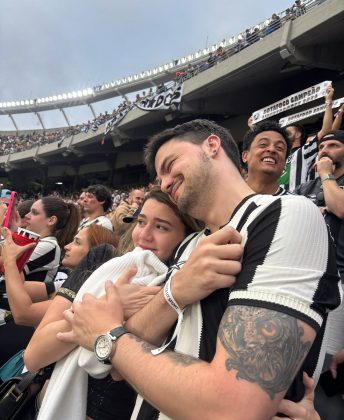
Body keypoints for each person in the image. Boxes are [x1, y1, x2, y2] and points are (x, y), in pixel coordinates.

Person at [59, 119, 340, 419]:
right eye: (159, 177)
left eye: (170, 165)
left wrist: (109, 337)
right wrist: (174, 292)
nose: (164, 183)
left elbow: (233, 407)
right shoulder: (187, 245)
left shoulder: (288, 214)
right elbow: (121, 368)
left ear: (212, 145)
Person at [25, 188, 201, 420]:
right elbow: (34, 355)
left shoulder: (180, 291)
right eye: (141, 222)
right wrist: (109, 304)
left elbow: (117, 372)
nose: (143, 236)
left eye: (161, 227)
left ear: (187, 238)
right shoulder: (101, 259)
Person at [294, 129, 344, 419]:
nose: (325, 150)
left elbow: (338, 206)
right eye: (322, 145)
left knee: (331, 370)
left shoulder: (325, 180)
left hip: (340, 283)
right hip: (308, 281)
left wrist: (327, 176)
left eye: (334, 145)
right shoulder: (304, 187)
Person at [0, 196, 80, 365]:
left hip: (15, 320)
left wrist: (3, 231)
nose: (27, 215)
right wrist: (12, 230)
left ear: (51, 220)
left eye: (34, 212)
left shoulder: (49, 245)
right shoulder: (33, 240)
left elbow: (6, 266)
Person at [242, 120, 291, 195]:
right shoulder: (223, 199)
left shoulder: (298, 205)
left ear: (285, 162)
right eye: (263, 144)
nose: (272, 149)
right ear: (245, 156)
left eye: (279, 147)